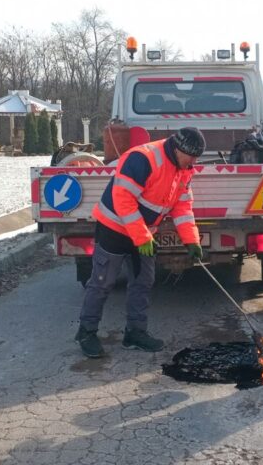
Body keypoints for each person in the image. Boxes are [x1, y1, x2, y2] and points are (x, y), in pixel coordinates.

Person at [75, 127, 206, 358]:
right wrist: (142, 237)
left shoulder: (183, 169)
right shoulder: (143, 158)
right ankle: (86, 332)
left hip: (142, 232)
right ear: (178, 149)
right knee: (102, 282)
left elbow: (182, 207)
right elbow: (123, 198)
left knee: (143, 282)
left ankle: (135, 333)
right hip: (113, 228)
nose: (194, 162)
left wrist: (191, 241)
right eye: (192, 157)